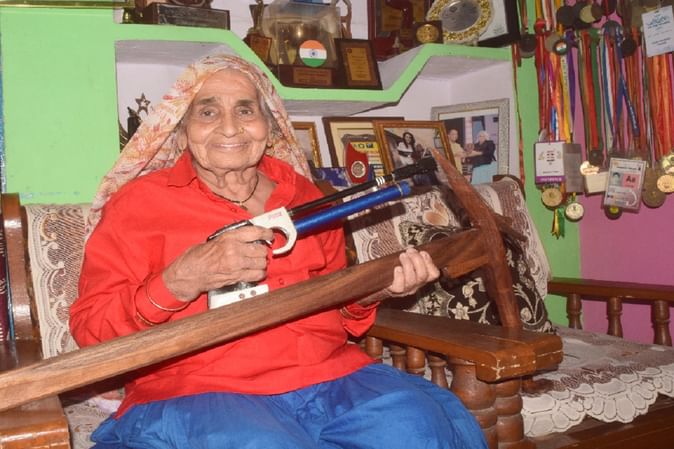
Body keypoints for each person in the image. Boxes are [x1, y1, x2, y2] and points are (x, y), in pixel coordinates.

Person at [70, 55, 487, 449]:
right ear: (181, 131)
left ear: (268, 127)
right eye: (208, 112)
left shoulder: (304, 195)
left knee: (418, 428)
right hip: (202, 388)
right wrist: (181, 280)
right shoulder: (138, 204)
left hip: (331, 376)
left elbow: (337, 312)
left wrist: (374, 293)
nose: (230, 128)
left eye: (246, 110)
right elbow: (92, 331)